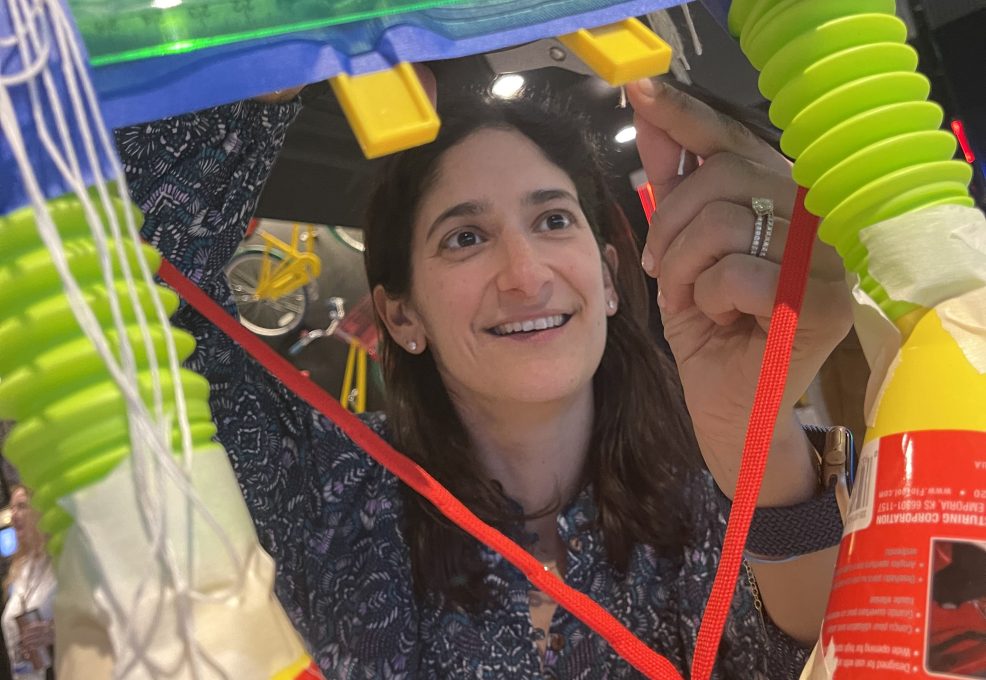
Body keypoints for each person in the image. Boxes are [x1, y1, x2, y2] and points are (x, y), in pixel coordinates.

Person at [104, 77, 852, 678]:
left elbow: (825, 653)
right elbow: (101, 316)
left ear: (612, 278)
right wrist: (256, 72)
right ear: (402, 317)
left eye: (554, 221)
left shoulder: (712, 492)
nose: (525, 276)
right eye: (466, 238)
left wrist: (759, 444)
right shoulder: (320, 490)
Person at [2, 487, 55, 680]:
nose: (14, 515)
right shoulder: (21, 568)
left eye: (22, 507)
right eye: (12, 508)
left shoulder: (62, 561)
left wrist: (53, 632)